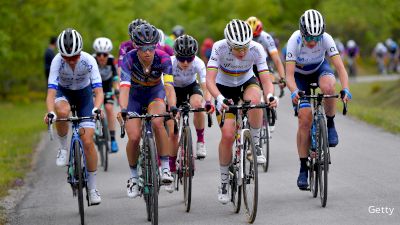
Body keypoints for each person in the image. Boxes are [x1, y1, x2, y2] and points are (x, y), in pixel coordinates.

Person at [206, 19, 277, 204]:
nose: (243, 52)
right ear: (229, 44)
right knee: (228, 135)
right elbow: (210, 80)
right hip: (223, 87)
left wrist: (270, 95)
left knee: (256, 100)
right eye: (238, 48)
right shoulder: (218, 48)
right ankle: (223, 181)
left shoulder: (256, 48)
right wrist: (219, 98)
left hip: (246, 81)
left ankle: (255, 144)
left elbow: (266, 79)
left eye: (245, 47)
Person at [285, 9, 351, 190]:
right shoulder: (294, 40)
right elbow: (288, 75)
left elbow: (341, 69)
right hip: (299, 76)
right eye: (309, 38)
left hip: (319, 68)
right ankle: (303, 168)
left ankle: (330, 123)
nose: (313, 42)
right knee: (304, 119)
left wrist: (345, 89)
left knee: (329, 88)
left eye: (316, 37)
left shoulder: (326, 38)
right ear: (302, 33)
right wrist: (294, 91)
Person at [44, 28, 103, 205]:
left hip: (85, 96)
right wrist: (50, 112)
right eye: (66, 57)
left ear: (80, 52)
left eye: (74, 56)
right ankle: (63, 148)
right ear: (61, 54)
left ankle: (92, 189)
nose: (71, 60)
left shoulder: (89, 60)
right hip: (64, 93)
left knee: (87, 142)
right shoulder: (56, 61)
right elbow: (51, 93)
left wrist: (97, 108)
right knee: (62, 112)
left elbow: (98, 91)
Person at [118, 23, 177, 198]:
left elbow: (169, 87)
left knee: (158, 121)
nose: (147, 52)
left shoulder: (164, 58)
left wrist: (172, 106)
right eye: (143, 48)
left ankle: (165, 167)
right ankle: (134, 178)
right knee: (134, 137)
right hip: (134, 97)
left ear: (155, 46)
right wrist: (122, 109)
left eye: (151, 47)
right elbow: (124, 88)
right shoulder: (128, 59)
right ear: (135, 46)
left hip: (154, 93)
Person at [165, 35, 212, 193]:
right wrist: (172, 107)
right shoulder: (169, 63)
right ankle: (171, 171)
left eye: (189, 59)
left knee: (198, 105)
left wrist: (208, 102)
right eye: (182, 59)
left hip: (191, 87)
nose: (185, 63)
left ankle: (200, 140)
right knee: (172, 132)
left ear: (194, 56)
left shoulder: (198, 63)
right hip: (172, 90)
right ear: (176, 55)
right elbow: (167, 88)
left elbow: (205, 86)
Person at [93, 37, 119, 152]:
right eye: (99, 54)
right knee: (95, 108)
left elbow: (115, 77)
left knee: (109, 108)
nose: (102, 57)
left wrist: (117, 88)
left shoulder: (111, 60)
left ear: (108, 54)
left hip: (107, 86)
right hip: (94, 87)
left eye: (104, 54)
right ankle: (95, 131)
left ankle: (113, 139)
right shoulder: (92, 60)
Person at [246, 16, 286, 88]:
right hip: (248, 63)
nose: (254, 39)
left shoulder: (266, 37)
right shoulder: (242, 37)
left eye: (256, 36)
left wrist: (282, 78)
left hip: (263, 62)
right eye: (251, 36)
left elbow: (277, 60)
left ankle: (270, 97)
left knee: (269, 84)